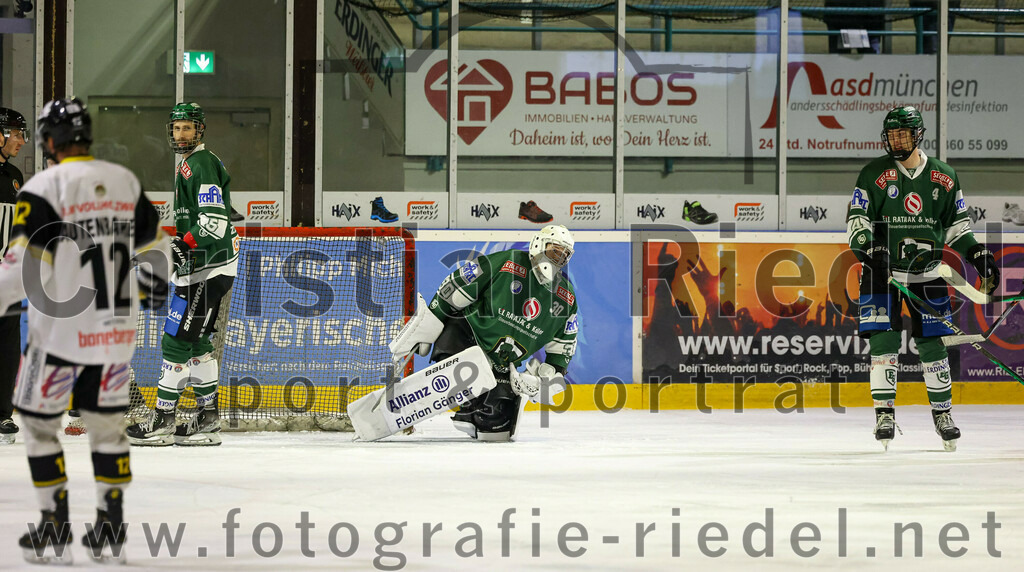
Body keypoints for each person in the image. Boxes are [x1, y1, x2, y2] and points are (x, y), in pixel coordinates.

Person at [0, 98, 168, 563]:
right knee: (107, 429)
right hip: (114, 335)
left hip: (59, 337)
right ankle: (109, 526)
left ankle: (54, 526)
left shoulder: (41, 188)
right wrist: (150, 296)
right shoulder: (125, 181)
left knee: (37, 425)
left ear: (49, 141)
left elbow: (21, 270)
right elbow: (157, 253)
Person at [846, 105, 999, 452]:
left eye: (903, 134)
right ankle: (884, 414)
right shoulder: (872, 174)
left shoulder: (944, 176)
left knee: (933, 345)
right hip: (880, 273)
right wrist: (872, 251)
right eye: (892, 135)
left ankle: (942, 414)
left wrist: (977, 254)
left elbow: (958, 228)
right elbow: (857, 222)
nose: (897, 140)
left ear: (918, 135)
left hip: (928, 274)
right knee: (883, 343)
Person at [390, 224, 579, 441]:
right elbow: (456, 287)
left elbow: (561, 354)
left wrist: (541, 384)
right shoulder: (507, 262)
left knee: (498, 429)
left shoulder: (566, 298)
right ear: (538, 244)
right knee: (466, 364)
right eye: (554, 250)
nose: (558, 258)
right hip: (465, 337)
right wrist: (429, 322)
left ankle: (473, 412)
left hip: (501, 364)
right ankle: (464, 394)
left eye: (564, 255)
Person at [127, 102, 238, 447]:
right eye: (176, 128)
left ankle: (162, 420)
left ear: (200, 131)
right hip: (208, 266)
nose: (180, 134)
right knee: (198, 343)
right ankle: (207, 419)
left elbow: (214, 221)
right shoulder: (193, 164)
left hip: (208, 267)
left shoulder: (199, 164)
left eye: (187, 128)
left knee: (174, 339)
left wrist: (180, 247)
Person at [0, 107, 28, 444]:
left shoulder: (15, 175)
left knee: (8, 345)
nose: (21, 140)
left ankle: (2, 414)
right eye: (16, 133)